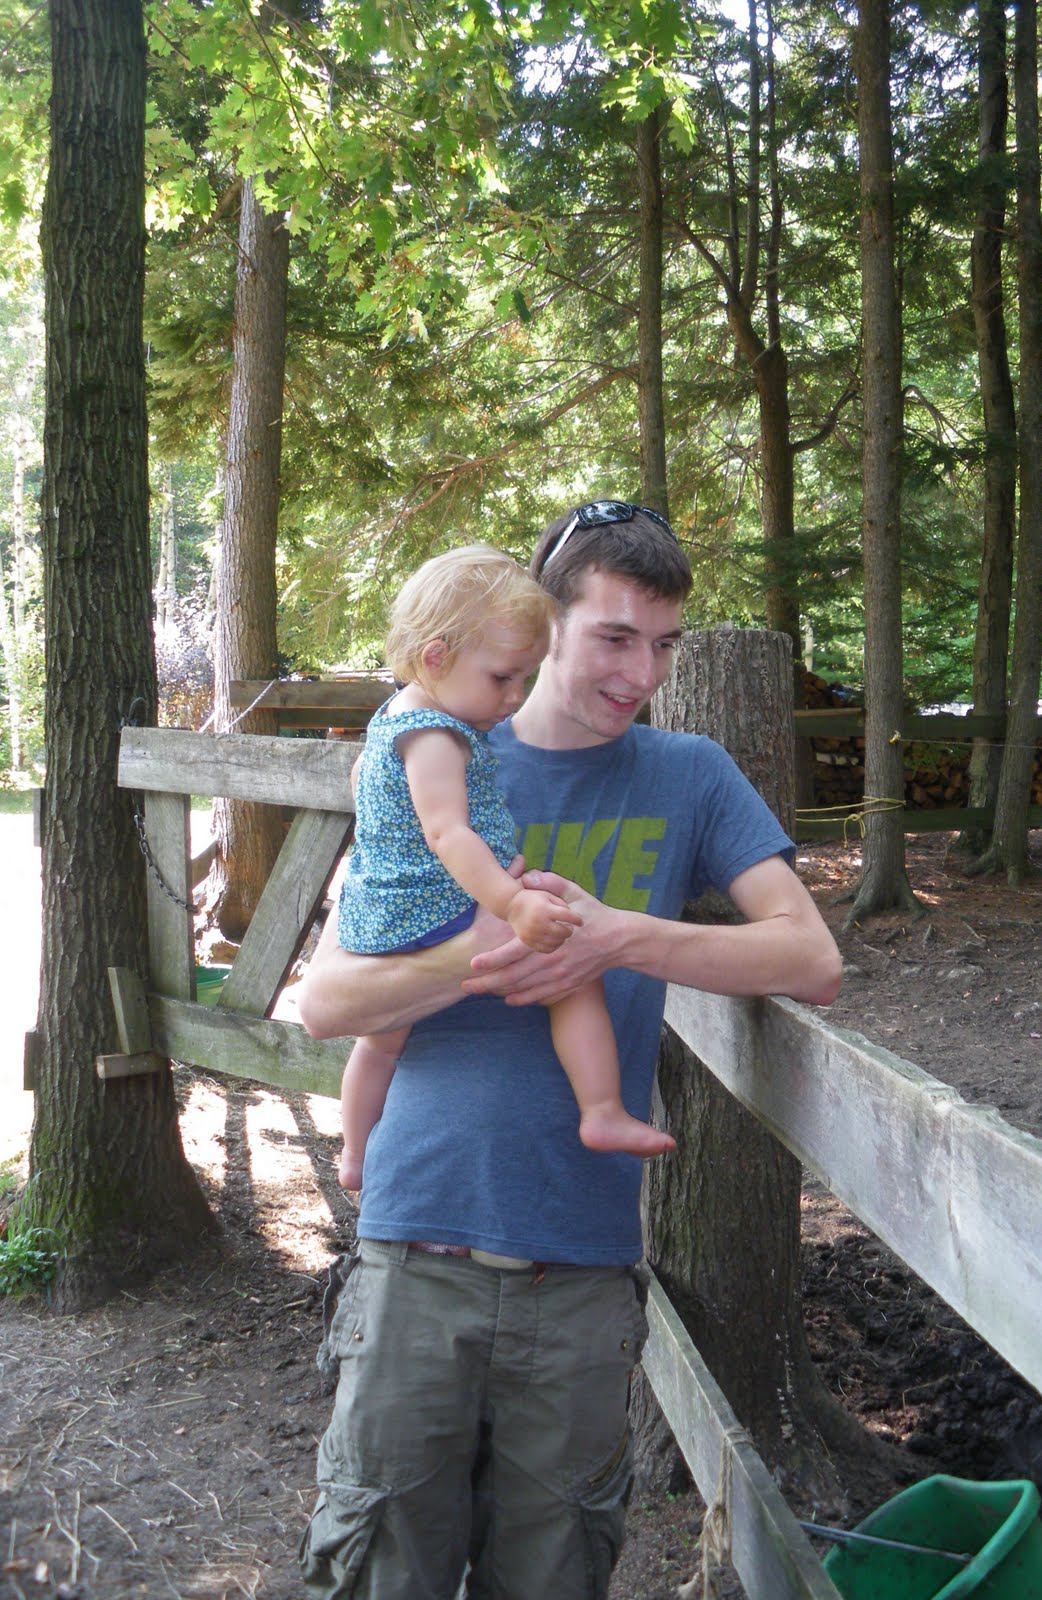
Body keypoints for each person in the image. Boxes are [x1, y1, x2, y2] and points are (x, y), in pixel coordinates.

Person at [297, 501, 843, 1600]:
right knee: (381, 1569)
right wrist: (481, 958)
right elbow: (327, 1002)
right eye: (614, 637)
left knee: (553, 1574)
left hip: (582, 1264)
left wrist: (616, 936)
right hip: (415, 1249)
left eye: (665, 644)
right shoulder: (438, 750)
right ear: (546, 621)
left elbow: (810, 958)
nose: (643, 674)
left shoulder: (690, 775)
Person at [335, 544, 675, 1191]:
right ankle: (602, 1109)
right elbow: (448, 832)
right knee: (573, 970)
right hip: (439, 905)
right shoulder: (436, 736)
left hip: (389, 911)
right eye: (501, 678)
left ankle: (354, 1155)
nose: (515, 697)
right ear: (436, 657)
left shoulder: (394, 716)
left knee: (381, 1042)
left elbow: (366, 784)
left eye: (524, 678)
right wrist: (513, 903)